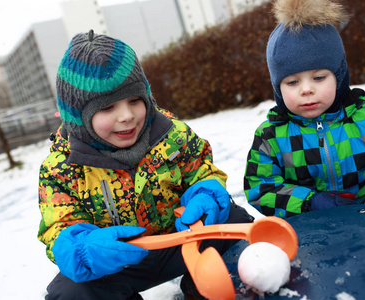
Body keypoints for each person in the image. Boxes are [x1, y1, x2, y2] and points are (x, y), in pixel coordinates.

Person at [38, 30, 253, 299]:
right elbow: (58, 225)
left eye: (134, 101)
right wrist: (85, 250)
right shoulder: (62, 168)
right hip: (118, 265)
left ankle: (206, 286)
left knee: (233, 222)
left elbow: (200, 169)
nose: (126, 116)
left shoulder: (171, 135)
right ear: (78, 117)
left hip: (183, 240)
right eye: (107, 108)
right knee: (69, 292)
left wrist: (205, 193)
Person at [244, 0, 365, 218]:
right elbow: (261, 188)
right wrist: (310, 202)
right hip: (311, 220)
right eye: (292, 83)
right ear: (278, 88)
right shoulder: (272, 136)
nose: (306, 90)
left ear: (339, 76)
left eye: (318, 78)